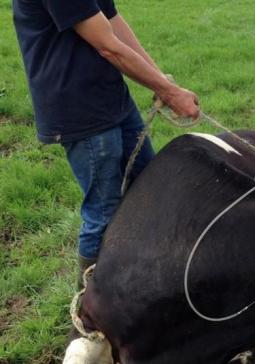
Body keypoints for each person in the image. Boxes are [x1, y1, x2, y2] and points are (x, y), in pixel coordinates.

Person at [13, 0, 200, 284]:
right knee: (104, 214)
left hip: (111, 98)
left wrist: (162, 81)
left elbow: (112, 21)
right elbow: (107, 45)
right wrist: (170, 93)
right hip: (79, 110)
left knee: (149, 189)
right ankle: (89, 309)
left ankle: (145, 282)